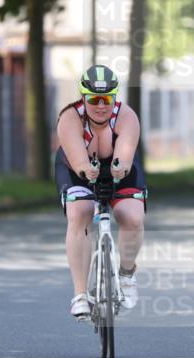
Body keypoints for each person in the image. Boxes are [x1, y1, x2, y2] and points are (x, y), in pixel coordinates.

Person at [55, 65, 146, 320]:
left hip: (117, 166)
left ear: (114, 98)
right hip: (76, 166)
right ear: (83, 98)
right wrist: (86, 170)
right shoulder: (70, 118)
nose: (101, 105)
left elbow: (125, 157)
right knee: (80, 212)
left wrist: (119, 169)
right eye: (94, 99)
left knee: (132, 217)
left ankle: (127, 275)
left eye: (106, 99)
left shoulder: (126, 116)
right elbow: (78, 160)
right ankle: (80, 295)